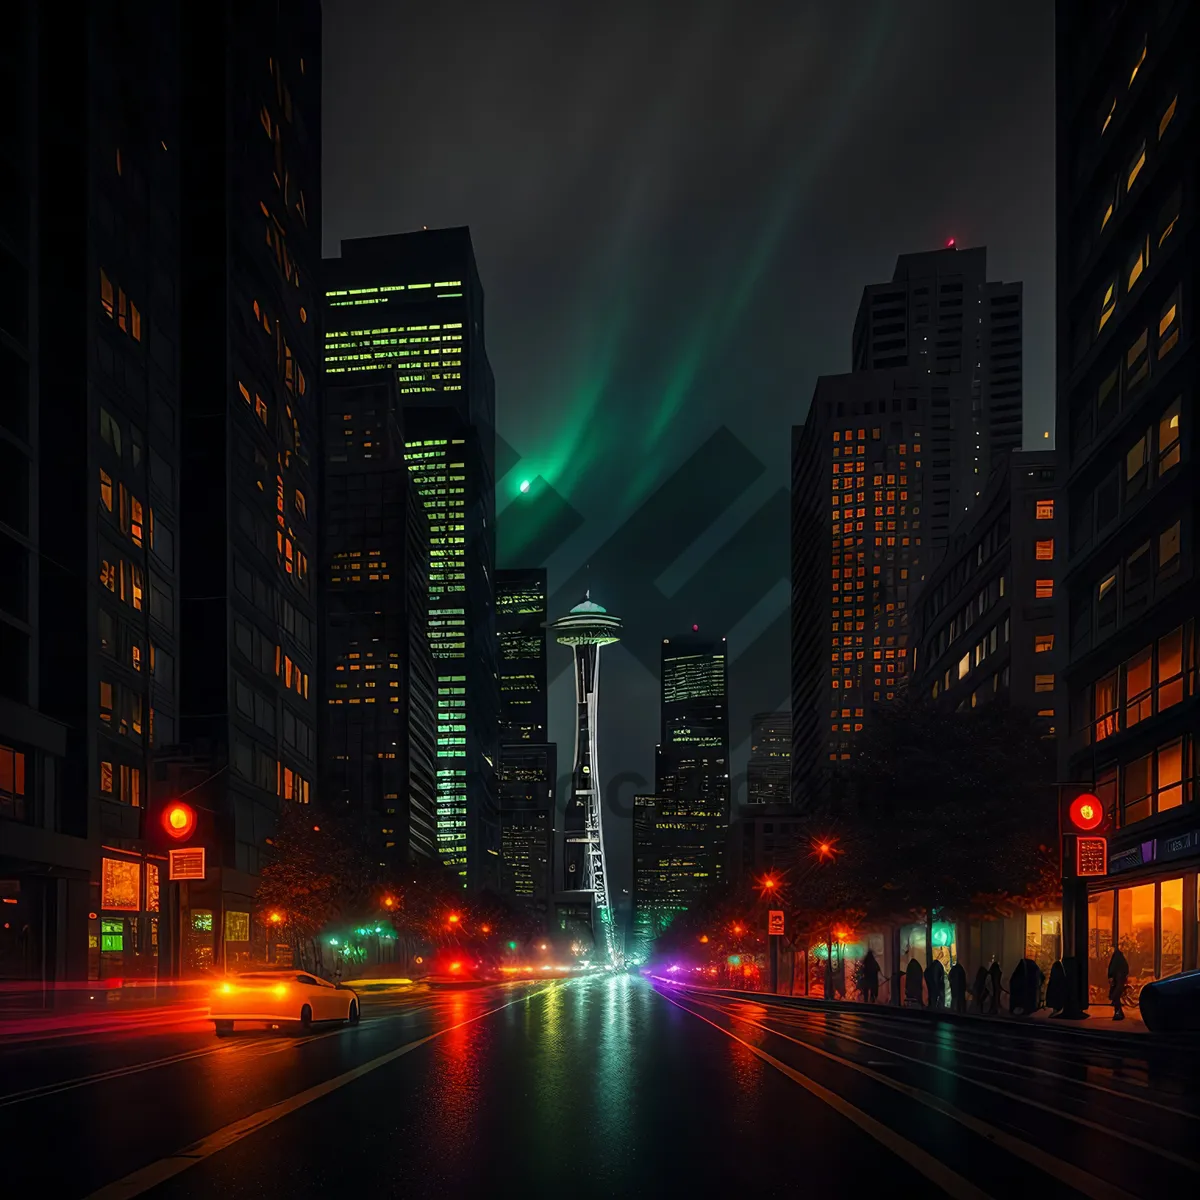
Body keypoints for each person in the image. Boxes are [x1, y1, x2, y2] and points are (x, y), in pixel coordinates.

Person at [1108, 948, 1130, 1021]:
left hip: (1116, 983)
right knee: (1116, 998)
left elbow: (1111, 969)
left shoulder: (1114, 964)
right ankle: (1119, 1013)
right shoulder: (1123, 965)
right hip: (1119, 982)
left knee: (1116, 997)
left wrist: (1110, 977)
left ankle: (1118, 1013)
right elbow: (1126, 969)